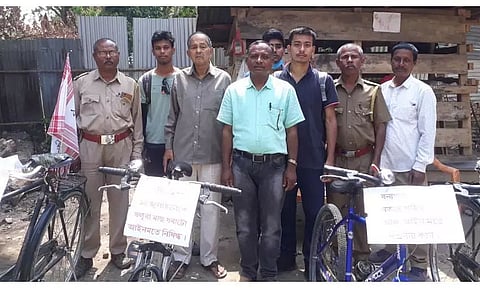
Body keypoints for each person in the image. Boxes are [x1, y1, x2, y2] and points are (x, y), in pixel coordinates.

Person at [217, 40, 305, 281]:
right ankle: (247, 271)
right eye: (254, 56)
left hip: (275, 167)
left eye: (264, 57)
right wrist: (226, 167)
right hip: (241, 165)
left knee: (271, 226)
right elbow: (226, 130)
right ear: (247, 60)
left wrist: (292, 166)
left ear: (272, 60)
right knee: (244, 225)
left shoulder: (285, 90)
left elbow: (292, 132)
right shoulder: (234, 91)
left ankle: (268, 273)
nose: (258, 61)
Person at [163, 31, 231, 279]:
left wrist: (227, 161)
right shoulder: (178, 79)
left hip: (213, 156)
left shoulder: (224, 80)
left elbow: (228, 124)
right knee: (182, 209)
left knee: (211, 209)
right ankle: (180, 257)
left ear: (211, 50)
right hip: (183, 156)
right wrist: (168, 148)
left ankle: (209, 258)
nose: (199, 51)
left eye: (203, 46)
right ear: (188, 52)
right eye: (194, 47)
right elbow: (171, 118)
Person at [73, 38, 143, 278]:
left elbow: (138, 123)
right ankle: (86, 253)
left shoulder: (130, 84)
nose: (108, 56)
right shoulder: (81, 84)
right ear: (94, 56)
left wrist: (136, 154)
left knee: (120, 202)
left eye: (112, 51)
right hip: (91, 148)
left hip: (120, 147)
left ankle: (118, 251)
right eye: (103, 52)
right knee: (90, 203)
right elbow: (72, 121)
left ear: (119, 54)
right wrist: (74, 152)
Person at [369, 42, 437, 281]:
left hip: (411, 167)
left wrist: (420, 166)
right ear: (391, 61)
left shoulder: (422, 92)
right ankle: (390, 252)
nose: (400, 64)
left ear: (414, 63)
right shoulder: (383, 90)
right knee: (389, 213)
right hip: (386, 165)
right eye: (397, 59)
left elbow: (428, 132)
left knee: (415, 217)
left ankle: (419, 265)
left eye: (406, 60)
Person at [274, 26, 338, 277]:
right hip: (281, 158)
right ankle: (286, 257)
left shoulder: (323, 81)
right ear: (288, 48)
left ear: (314, 49)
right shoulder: (276, 80)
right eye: (297, 44)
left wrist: (330, 158)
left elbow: (331, 121)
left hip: (313, 157)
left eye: (307, 44)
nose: (302, 49)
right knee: (284, 211)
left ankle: (313, 260)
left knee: (314, 212)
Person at [330, 43, 391, 274]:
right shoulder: (329, 89)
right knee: (337, 208)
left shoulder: (374, 92)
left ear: (362, 61)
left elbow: (381, 126)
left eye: (354, 57)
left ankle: (362, 255)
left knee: (364, 210)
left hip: (364, 160)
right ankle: (338, 253)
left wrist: (376, 160)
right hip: (337, 160)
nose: (349, 60)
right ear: (338, 63)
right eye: (344, 57)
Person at [139, 31, 181, 176]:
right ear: (153, 51)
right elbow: (142, 115)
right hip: (153, 143)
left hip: (178, 143)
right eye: (158, 48)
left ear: (173, 50)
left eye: (166, 47)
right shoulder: (145, 80)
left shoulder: (183, 79)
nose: (162, 51)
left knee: (178, 189)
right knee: (154, 189)